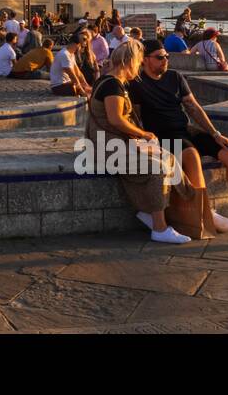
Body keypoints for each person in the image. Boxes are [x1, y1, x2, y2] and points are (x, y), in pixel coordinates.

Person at [129, 39, 228, 228]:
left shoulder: (175, 77)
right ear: (144, 60)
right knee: (191, 155)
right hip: (163, 135)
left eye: (166, 56)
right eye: (160, 57)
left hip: (185, 129)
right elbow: (135, 116)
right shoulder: (136, 83)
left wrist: (215, 133)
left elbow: (193, 107)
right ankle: (205, 211)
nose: (165, 60)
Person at [83, 39, 194, 244]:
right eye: (139, 62)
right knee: (155, 168)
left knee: (168, 158)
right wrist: (143, 134)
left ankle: (189, 205)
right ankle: (159, 228)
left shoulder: (114, 81)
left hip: (114, 142)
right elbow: (116, 120)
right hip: (106, 146)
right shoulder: (112, 85)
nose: (140, 67)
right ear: (130, 62)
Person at [50, 31, 91, 97]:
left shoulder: (71, 54)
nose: (82, 49)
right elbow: (72, 76)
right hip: (59, 86)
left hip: (67, 83)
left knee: (88, 89)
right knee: (80, 88)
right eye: (82, 47)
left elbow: (78, 73)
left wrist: (86, 85)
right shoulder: (64, 54)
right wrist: (83, 91)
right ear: (77, 45)